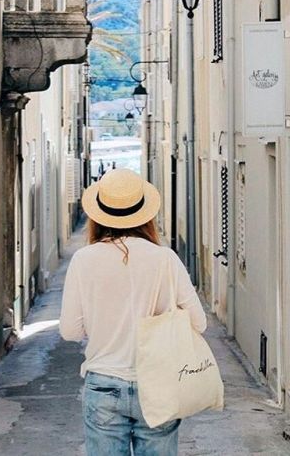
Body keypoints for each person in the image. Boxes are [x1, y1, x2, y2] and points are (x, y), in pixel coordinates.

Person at [60, 169, 207, 456]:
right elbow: (198, 323)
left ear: (99, 216)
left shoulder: (83, 260)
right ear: (145, 215)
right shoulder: (165, 259)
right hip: (157, 384)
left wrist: (104, 320)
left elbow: (70, 331)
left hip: (103, 383)